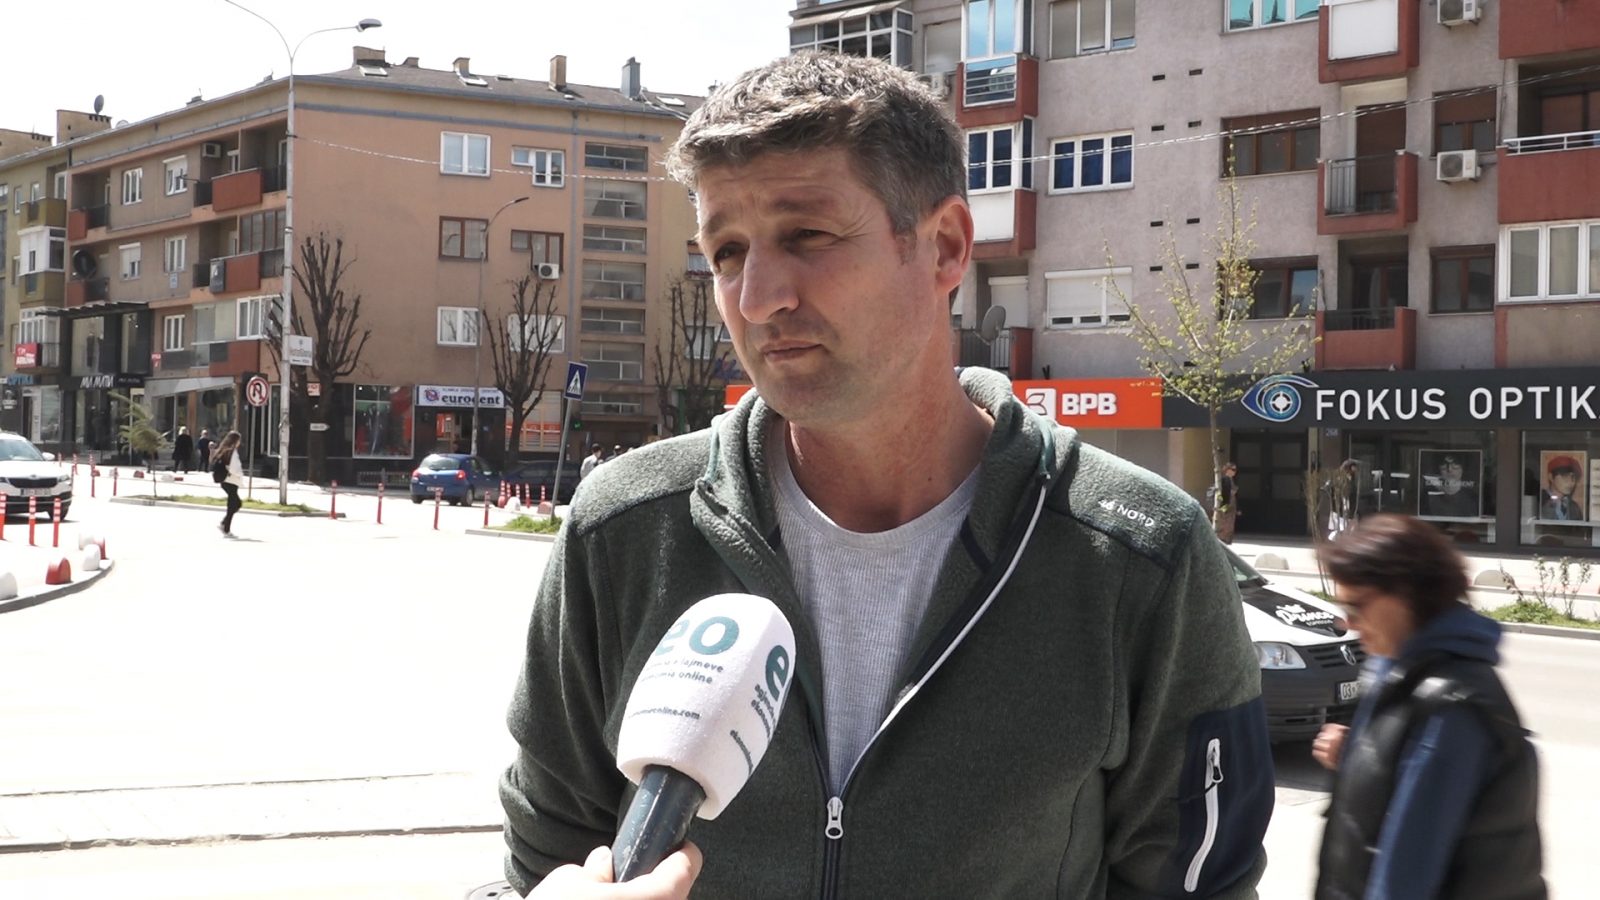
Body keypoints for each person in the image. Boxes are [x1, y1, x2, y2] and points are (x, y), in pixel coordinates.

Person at [499, 53, 1272, 898]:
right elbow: (541, 862)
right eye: (726, 252)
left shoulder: (1143, 558)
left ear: (944, 247)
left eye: (807, 236)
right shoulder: (623, 531)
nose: (757, 298)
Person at [1311, 514, 1544, 899]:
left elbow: (1405, 876)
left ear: (1406, 595)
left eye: (1358, 607)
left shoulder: (1454, 707)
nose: (1348, 623)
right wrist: (1356, 754)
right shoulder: (1395, 668)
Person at [1420, 452, 1479, 519]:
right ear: (1438, 469)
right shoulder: (1427, 496)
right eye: (1444, 465)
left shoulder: (1472, 498)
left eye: (1455, 464)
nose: (1449, 469)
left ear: (1463, 468)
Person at [214, 430, 244, 538]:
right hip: (231, 481)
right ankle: (226, 529)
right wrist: (240, 474)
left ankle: (224, 523)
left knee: (237, 504)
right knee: (233, 505)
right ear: (235, 441)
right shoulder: (232, 452)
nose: (239, 442)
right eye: (239, 440)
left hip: (226, 481)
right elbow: (234, 468)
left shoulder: (224, 450)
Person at [1538, 455, 1585, 521]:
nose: (1571, 482)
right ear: (1551, 477)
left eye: (1573, 477)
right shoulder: (1539, 500)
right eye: (1565, 476)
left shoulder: (1574, 507)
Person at [1209, 460, 1240, 544]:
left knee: (1229, 524)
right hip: (1226, 504)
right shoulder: (1223, 480)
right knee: (1224, 523)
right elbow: (1219, 493)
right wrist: (1222, 504)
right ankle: (1222, 540)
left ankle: (1227, 539)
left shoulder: (1231, 480)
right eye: (1232, 469)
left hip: (1231, 504)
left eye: (1235, 470)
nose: (1234, 472)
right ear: (1227, 470)